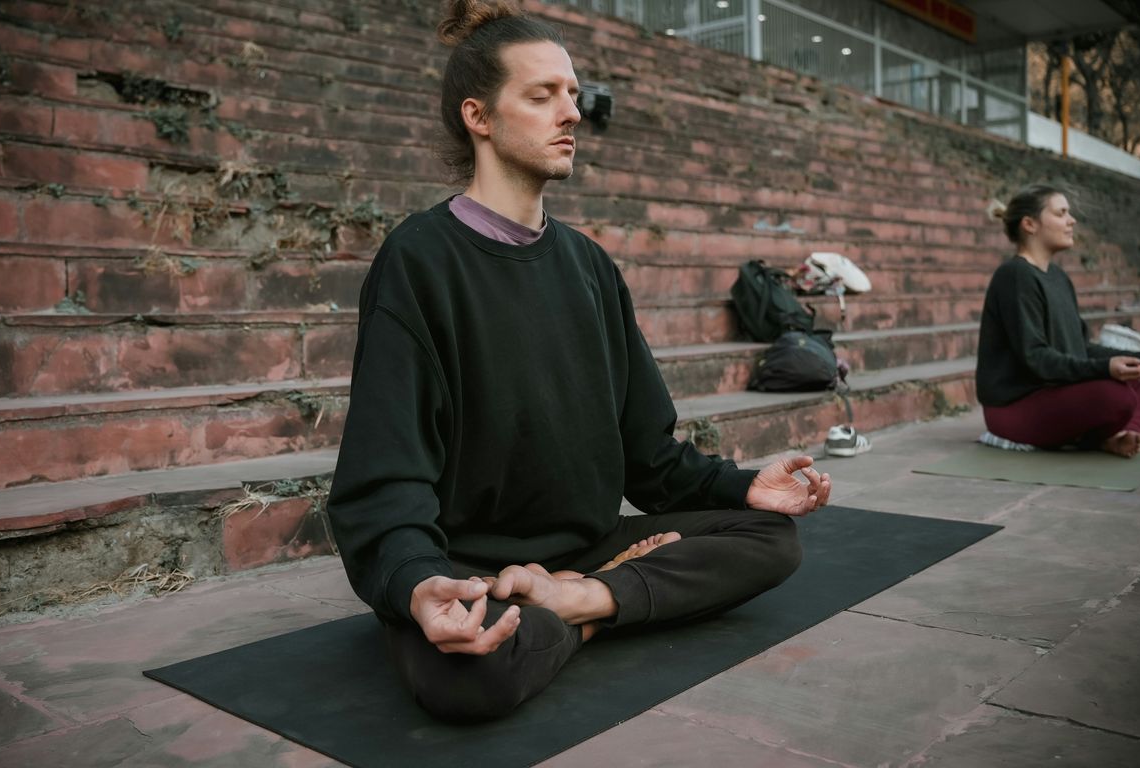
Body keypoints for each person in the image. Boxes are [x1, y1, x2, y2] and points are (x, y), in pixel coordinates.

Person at [326, 0, 829, 722]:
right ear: (480, 117)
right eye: (543, 95)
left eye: (572, 93)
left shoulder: (591, 266)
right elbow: (384, 480)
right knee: (470, 678)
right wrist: (416, 583)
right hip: (471, 566)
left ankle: (575, 605)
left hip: (590, 554)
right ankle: (597, 607)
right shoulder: (419, 262)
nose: (572, 113)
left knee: (772, 539)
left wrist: (746, 486)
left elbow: (648, 457)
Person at [976, 185, 1140, 458]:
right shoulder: (1015, 276)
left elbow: (1082, 348)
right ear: (1030, 224)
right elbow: (1037, 359)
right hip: (1014, 408)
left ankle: (1126, 434)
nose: (1072, 220)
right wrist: (1105, 369)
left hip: (1057, 395)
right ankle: (1101, 436)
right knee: (1117, 397)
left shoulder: (1058, 277)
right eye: (1061, 213)